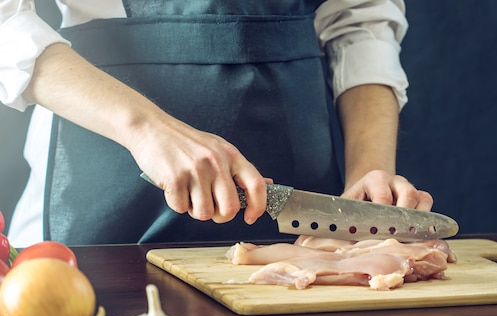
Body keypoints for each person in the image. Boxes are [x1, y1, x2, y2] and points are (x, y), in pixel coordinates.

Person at [0, 0, 433, 246]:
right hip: (101, 174)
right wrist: (146, 128)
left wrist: (369, 184)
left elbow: (362, 20)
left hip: (300, 196)